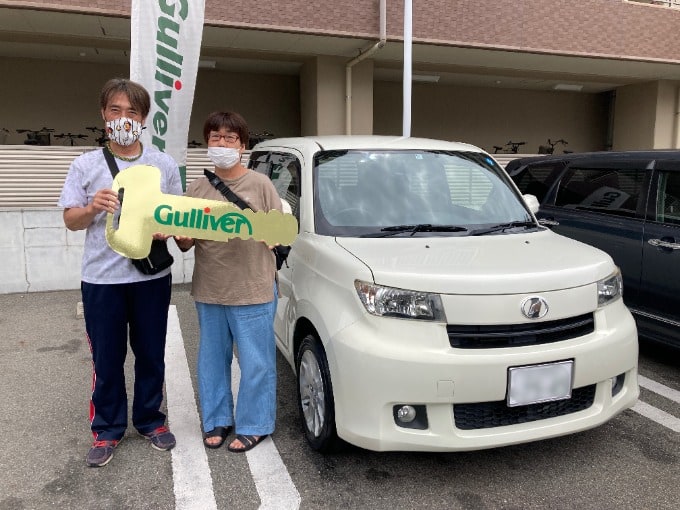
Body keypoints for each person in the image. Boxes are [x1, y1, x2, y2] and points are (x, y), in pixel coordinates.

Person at [58, 78, 183, 467]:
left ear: (144, 118)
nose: (123, 119)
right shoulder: (86, 165)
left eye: (132, 112)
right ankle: (107, 429)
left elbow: (177, 219)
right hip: (102, 280)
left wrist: (168, 227)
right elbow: (71, 220)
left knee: (151, 354)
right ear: (103, 115)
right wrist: (93, 207)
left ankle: (150, 420)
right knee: (107, 359)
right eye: (116, 110)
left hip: (149, 278)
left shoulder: (162, 163)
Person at [174, 111, 281, 452]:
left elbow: (279, 232)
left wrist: (269, 233)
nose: (221, 143)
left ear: (243, 146)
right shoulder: (197, 188)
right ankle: (217, 419)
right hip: (211, 288)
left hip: (254, 288)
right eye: (215, 137)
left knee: (257, 362)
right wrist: (176, 234)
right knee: (212, 359)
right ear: (207, 144)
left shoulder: (261, 185)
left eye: (229, 138)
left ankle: (255, 424)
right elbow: (185, 242)